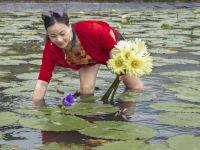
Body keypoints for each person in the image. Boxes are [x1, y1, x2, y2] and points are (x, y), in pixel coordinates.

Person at [32, 11, 143, 106]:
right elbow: (42, 81)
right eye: (53, 36)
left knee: (134, 87)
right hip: (86, 60)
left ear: (69, 27)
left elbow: (111, 46)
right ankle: (89, 119)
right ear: (48, 35)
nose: (59, 40)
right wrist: (37, 106)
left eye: (62, 34)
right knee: (86, 91)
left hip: (109, 49)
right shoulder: (50, 48)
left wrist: (120, 71)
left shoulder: (91, 30)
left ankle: (125, 116)